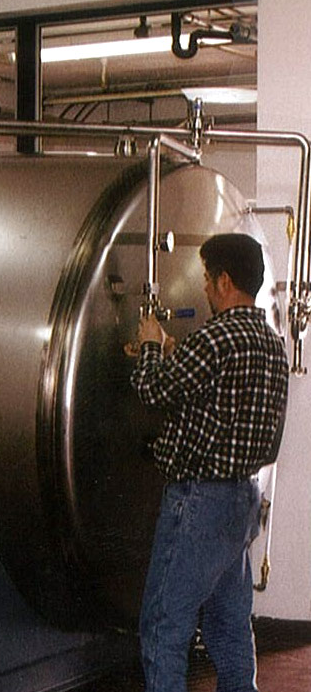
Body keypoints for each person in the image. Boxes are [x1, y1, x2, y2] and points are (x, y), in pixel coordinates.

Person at [130, 232, 289, 692]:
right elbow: (216, 394)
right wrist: (171, 353)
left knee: (164, 625)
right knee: (229, 625)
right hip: (243, 500)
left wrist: (150, 345)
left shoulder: (215, 337)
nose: (203, 287)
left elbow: (152, 390)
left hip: (199, 502)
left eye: (206, 277)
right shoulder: (271, 343)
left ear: (224, 281)